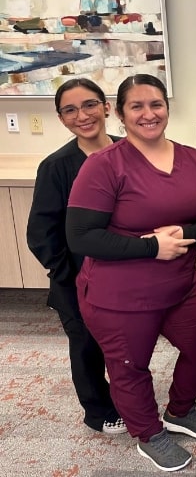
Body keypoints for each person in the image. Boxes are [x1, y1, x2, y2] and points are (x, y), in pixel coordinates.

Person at [65, 74, 196, 472]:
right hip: (119, 296)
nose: (148, 113)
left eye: (156, 104)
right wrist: (151, 247)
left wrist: (184, 235)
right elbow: (81, 237)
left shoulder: (193, 159)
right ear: (119, 114)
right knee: (129, 368)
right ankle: (149, 433)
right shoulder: (104, 165)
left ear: (167, 109)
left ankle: (180, 410)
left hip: (182, 286)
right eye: (136, 106)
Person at [26, 78, 126, 435]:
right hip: (77, 278)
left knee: (124, 341)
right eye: (70, 110)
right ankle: (98, 410)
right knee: (86, 344)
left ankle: (130, 398)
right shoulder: (57, 167)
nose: (82, 115)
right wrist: (69, 273)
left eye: (89, 105)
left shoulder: (131, 151)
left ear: (106, 107)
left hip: (126, 272)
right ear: (61, 118)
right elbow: (41, 232)